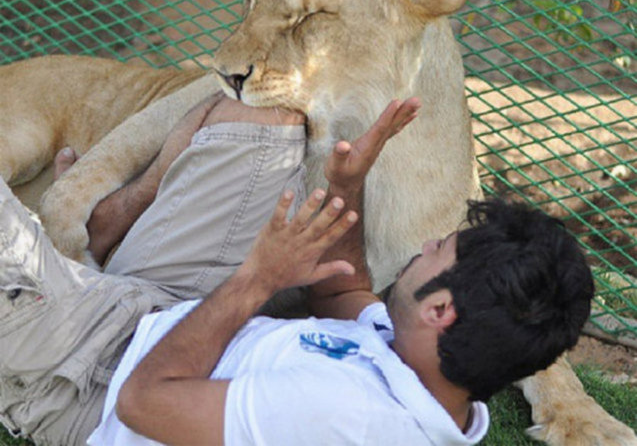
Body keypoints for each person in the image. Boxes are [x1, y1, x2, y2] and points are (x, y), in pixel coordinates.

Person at [0, 95, 593, 446]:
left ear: (441, 311)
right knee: (264, 107)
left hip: (89, 368)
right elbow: (346, 291)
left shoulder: (348, 420)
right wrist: (347, 185)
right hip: (166, 315)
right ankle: (102, 236)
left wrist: (257, 278)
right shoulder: (430, 374)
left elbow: (142, 403)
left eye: (442, 250)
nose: (430, 242)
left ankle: (78, 256)